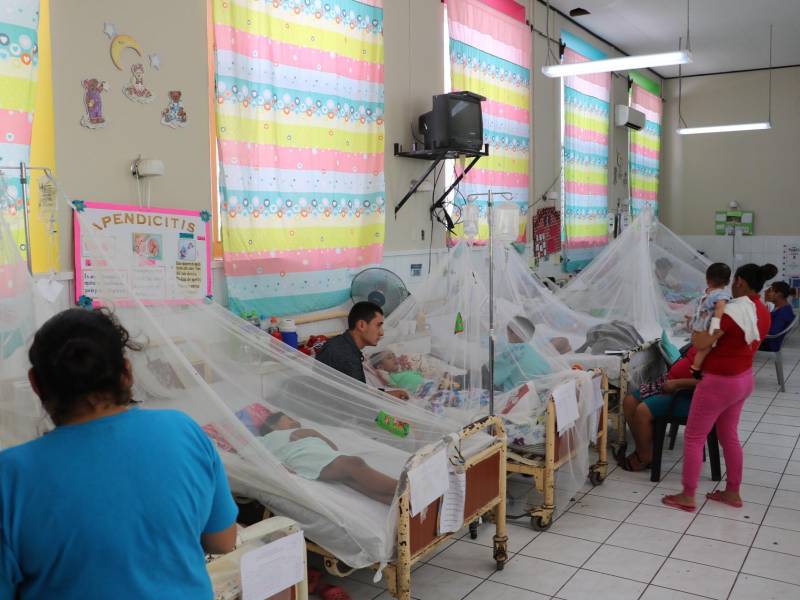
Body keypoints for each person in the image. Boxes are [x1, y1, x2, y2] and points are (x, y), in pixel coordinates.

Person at [0, 308, 238, 599]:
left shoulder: (11, 476)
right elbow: (223, 541)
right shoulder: (184, 431)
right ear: (127, 372)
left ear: (36, 384)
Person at [662, 263, 776, 512]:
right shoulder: (762, 310)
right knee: (729, 436)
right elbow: (727, 338)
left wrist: (700, 326)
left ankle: (688, 495)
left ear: (740, 283)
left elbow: (701, 340)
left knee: (693, 437)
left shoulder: (731, 313)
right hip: (743, 378)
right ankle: (733, 492)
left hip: (718, 382)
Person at [259, 412, 397, 504]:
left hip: (312, 459)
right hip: (309, 457)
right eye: (288, 419)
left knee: (351, 480)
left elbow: (332, 448)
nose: (294, 421)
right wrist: (314, 435)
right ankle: (406, 492)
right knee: (355, 463)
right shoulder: (268, 438)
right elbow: (332, 447)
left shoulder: (265, 442)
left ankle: (400, 504)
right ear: (272, 426)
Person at [617, 347, 700, 471]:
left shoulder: (715, 348)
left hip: (688, 396)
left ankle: (644, 457)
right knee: (629, 402)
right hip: (671, 385)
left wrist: (677, 383)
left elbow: (709, 382)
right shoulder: (702, 340)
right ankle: (644, 450)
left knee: (642, 411)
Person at [316, 302, 409, 399]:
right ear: (361, 325)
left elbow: (357, 389)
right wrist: (388, 397)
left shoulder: (338, 342)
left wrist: (388, 394)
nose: (381, 333)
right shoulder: (348, 357)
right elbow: (359, 400)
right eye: (378, 325)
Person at [689, 263, 732, 377]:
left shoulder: (706, 293)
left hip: (697, 326)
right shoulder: (721, 295)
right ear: (728, 282)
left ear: (707, 280)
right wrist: (715, 324)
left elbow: (699, 309)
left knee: (701, 350)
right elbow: (719, 309)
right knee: (705, 349)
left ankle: (695, 367)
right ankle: (696, 368)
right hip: (706, 327)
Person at [494, 316, 553, 392]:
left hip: (525, 397)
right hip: (545, 393)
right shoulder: (534, 351)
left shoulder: (512, 351)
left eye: (507, 332)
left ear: (514, 333)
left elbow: (492, 377)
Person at [760, 281, 796, 352]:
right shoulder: (781, 307)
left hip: (769, 344)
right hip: (768, 341)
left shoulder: (783, 313)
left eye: (771, 291)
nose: (768, 293)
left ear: (779, 294)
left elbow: (773, 332)